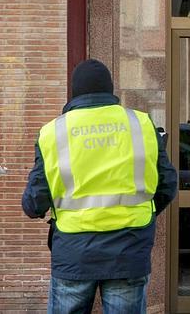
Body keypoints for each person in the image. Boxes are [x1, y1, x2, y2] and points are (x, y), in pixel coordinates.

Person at [21, 59, 178, 313]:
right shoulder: (141, 124)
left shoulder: (53, 132)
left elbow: (34, 202)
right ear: (110, 90)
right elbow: (167, 185)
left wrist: (36, 206)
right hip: (129, 250)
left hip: (73, 254)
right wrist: (143, 215)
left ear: (74, 92)